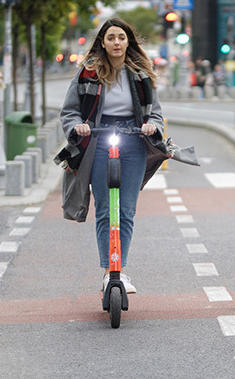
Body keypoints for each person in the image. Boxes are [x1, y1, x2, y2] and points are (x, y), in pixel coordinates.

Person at [56, 18, 167, 294]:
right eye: (111, 38)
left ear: (128, 41)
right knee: (106, 210)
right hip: (98, 139)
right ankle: (109, 272)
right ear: (102, 43)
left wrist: (153, 126)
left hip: (133, 140)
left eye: (121, 37)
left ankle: (120, 270)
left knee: (126, 210)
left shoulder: (141, 73)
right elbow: (70, 111)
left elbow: (155, 112)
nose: (116, 43)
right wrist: (77, 126)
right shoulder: (88, 72)